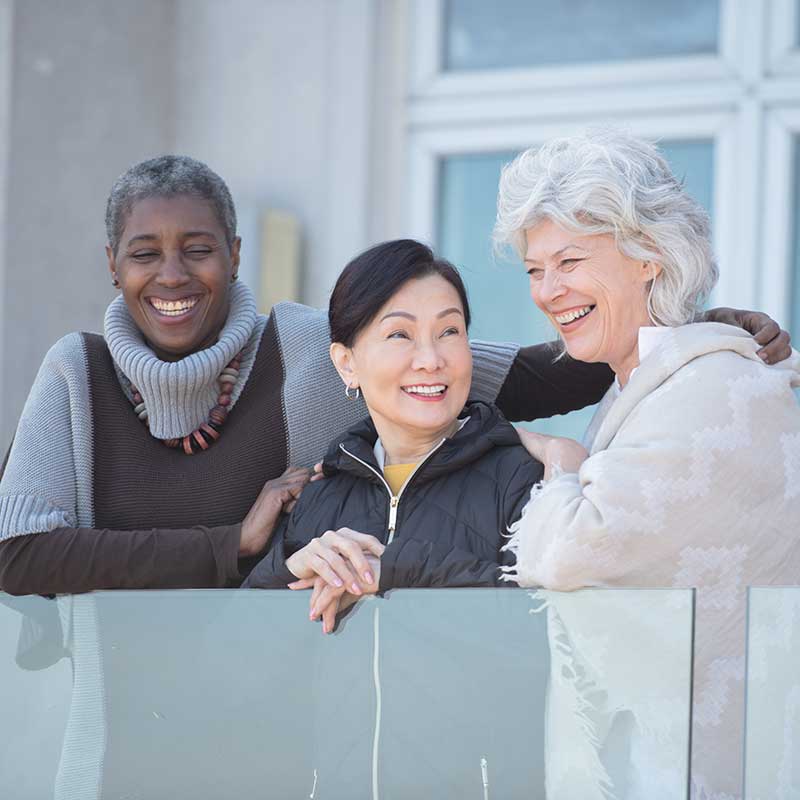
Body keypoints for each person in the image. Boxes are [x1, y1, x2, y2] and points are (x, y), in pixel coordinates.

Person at [0, 153, 788, 595]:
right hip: (116, 720)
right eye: (145, 254)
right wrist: (229, 543)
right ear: (113, 266)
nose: (173, 275)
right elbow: (16, 556)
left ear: (235, 255)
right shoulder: (76, 373)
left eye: (199, 248)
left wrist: (685, 323)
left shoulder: (307, 348)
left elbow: (533, 374)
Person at [492, 129, 800, 799]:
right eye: (534, 269)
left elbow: (570, 553)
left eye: (569, 261)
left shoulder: (716, 389)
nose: (547, 291)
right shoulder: (643, 382)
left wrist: (560, 459)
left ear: (649, 256)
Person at [243, 240, 544, 627]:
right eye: (400, 335)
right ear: (347, 363)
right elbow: (240, 654)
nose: (431, 360)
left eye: (449, 331)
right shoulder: (321, 496)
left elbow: (541, 629)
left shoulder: (520, 478)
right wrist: (287, 573)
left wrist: (396, 571)